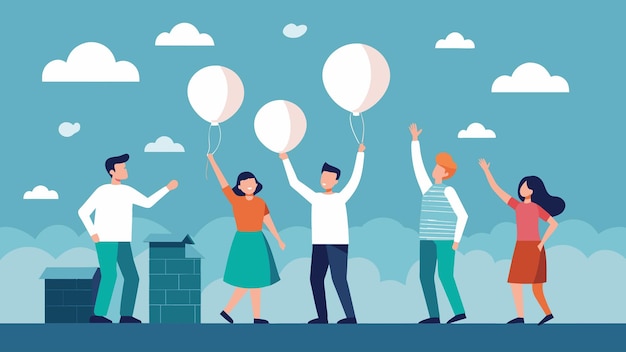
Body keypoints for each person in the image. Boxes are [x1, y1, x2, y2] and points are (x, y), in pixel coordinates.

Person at [78, 153, 178, 323]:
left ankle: (125, 315)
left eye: (125, 167)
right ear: (112, 171)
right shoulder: (102, 191)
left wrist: (166, 188)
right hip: (106, 241)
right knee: (110, 276)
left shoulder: (127, 191)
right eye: (122, 167)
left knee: (132, 277)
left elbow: (147, 203)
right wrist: (94, 234)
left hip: (123, 241)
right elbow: (83, 212)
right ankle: (98, 315)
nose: (125, 169)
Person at [279, 143, 365, 324]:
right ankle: (323, 317)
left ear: (336, 181)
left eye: (329, 177)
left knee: (339, 279)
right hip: (318, 244)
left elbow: (355, 179)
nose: (325, 180)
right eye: (323, 176)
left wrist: (360, 154)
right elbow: (295, 183)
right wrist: (286, 160)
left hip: (337, 244)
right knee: (315, 279)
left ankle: (351, 317)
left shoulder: (341, 197)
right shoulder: (315, 198)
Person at [479, 159, 565, 325]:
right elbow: (497, 190)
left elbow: (554, 224)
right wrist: (486, 171)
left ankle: (545, 314)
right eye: (522, 185)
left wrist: (541, 243)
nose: (521, 188)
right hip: (521, 247)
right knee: (516, 282)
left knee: (535, 287)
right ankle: (522, 316)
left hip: (533, 247)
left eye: (525, 185)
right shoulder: (518, 206)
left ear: (532, 190)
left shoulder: (536, 208)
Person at [207, 153, 285, 324]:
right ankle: (232, 311)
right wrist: (212, 160)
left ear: (256, 185)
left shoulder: (261, 202)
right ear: (240, 187)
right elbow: (223, 182)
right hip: (243, 242)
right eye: (245, 183)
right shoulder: (236, 201)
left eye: (252, 182)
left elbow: (268, 221)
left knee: (256, 282)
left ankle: (249, 315)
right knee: (249, 282)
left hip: (258, 241)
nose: (249, 185)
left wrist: (278, 239)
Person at [409, 123, 468, 324]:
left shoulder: (448, 191)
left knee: (445, 275)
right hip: (426, 238)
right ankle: (434, 316)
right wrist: (415, 141)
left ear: (445, 172)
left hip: (445, 240)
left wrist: (456, 240)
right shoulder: (427, 188)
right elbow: (418, 168)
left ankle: (459, 311)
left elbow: (463, 215)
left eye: (438, 167)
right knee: (425, 276)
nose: (433, 169)